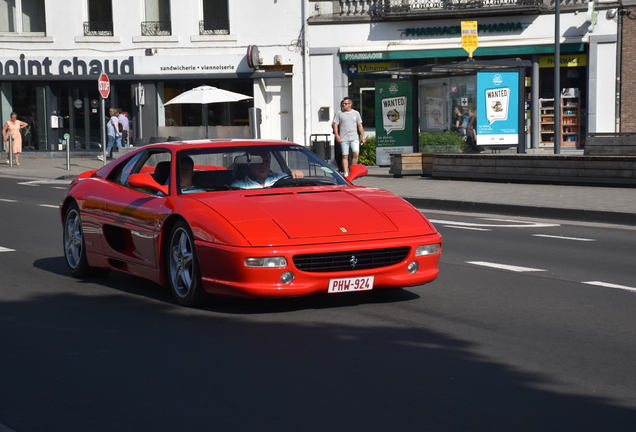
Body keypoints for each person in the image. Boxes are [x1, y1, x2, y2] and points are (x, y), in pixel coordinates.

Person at [231, 149, 304, 189]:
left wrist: (297, 174)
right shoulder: (239, 186)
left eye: (266, 161)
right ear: (249, 164)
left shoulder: (281, 177)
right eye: (259, 162)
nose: (263, 165)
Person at [332, 97, 365, 177]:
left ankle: (352, 170)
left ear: (350, 104)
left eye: (345, 103)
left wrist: (363, 137)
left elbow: (360, 125)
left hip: (354, 137)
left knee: (356, 153)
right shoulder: (339, 113)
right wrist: (337, 135)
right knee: (345, 156)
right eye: (343, 103)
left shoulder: (356, 113)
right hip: (344, 138)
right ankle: (346, 172)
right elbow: (335, 124)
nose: (344, 105)